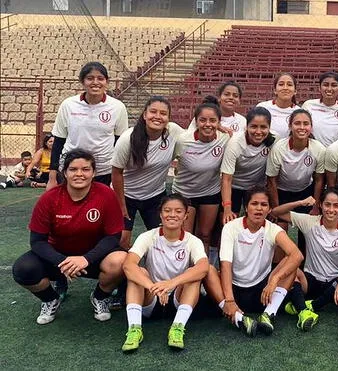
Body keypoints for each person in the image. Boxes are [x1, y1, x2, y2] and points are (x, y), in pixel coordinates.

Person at [12, 149, 125, 325]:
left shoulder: (106, 195)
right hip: (58, 257)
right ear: (64, 172)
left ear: (94, 172)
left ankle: (100, 297)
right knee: (23, 269)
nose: (79, 174)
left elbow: (113, 236)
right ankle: (50, 299)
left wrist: (86, 259)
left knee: (121, 261)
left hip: (93, 257)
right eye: (73, 169)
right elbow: (37, 241)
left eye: (86, 169)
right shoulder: (50, 198)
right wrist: (63, 261)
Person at [120, 194, 209, 352]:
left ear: (186, 215)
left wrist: (171, 284)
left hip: (177, 299)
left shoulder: (193, 241)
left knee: (193, 275)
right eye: (167, 210)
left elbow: (203, 267)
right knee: (137, 272)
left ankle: (177, 327)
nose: (172, 215)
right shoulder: (148, 236)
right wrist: (152, 286)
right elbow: (128, 265)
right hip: (151, 298)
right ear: (160, 214)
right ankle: (134, 329)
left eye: (178, 211)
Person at [269, 189, 338, 331]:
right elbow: (275, 212)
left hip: (335, 284)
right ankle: (304, 311)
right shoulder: (309, 222)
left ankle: (312, 305)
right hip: (310, 280)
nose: (331, 210)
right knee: (288, 265)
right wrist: (300, 202)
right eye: (327, 205)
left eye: (336, 205)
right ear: (320, 205)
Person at [219, 188, 303, 337]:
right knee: (210, 271)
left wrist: (274, 280)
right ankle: (239, 318)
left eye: (264, 205)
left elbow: (297, 255)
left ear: (269, 209)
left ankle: (268, 314)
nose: (259, 208)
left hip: (261, 292)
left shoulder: (273, 229)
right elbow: (225, 265)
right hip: (234, 290)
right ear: (246, 207)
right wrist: (230, 299)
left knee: (292, 266)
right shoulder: (230, 227)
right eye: (254, 204)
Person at [111, 96, 184, 248]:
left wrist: (220, 128)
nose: (158, 116)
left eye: (163, 113)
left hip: (154, 195)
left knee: (162, 238)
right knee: (123, 239)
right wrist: (121, 204)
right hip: (127, 195)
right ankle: (124, 269)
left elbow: (195, 135)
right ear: (144, 115)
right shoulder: (127, 139)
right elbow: (116, 172)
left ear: (168, 118)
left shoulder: (174, 132)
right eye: (153, 112)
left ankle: (156, 269)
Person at [48, 61, 128, 190]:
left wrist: (118, 173)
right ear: (82, 81)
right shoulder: (68, 105)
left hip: (103, 171)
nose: (95, 82)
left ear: (106, 82)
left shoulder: (118, 107)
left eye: (100, 78)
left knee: (99, 208)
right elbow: (58, 142)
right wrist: (52, 178)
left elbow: (120, 142)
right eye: (90, 78)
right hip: (72, 169)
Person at [173, 99, 230, 253]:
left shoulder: (226, 139)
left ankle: (202, 270)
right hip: (185, 193)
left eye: (213, 120)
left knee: (205, 235)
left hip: (210, 193)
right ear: (196, 121)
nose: (207, 124)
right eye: (203, 120)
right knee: (185, 236)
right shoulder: (183, 140)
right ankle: (183, 270)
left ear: (219, 122)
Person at [266, 109, 326, 252]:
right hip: (282, 192)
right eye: (297, 123)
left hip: (306, 192)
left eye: (306, 124)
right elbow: (271, 181)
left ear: (311, 127)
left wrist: (315, 205)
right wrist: (275, 209)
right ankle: (277, 266)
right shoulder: (279, 148)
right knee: (279, 230)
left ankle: (305, 267)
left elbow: (319, 180)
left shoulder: (318, 149)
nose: (301, 127)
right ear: (290, 126)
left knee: (308, 232)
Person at [220, 107, 277, 225]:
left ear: (269, 128)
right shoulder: (235, 143)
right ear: (246, 126)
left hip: (257, 187)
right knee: (228, 224)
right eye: (254, 126)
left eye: (263, 127)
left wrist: (275, 207)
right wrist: (227, 208)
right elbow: (226, 179)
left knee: (257, 224)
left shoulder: (274, 141)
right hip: (234, 187)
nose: (258, 131)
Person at [302, 71, 338, 147]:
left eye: (334, 85)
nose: (329, 88)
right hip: (312, 153)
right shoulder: (308, 105)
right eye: (325, 85)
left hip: (334, 155)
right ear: (319, 87)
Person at [257, 73, 301, 138]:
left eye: (289, 85)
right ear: (275, 90)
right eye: (281, 84)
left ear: (295, 91)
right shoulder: (262, 107)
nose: (285, 88)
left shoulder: (299, 112)